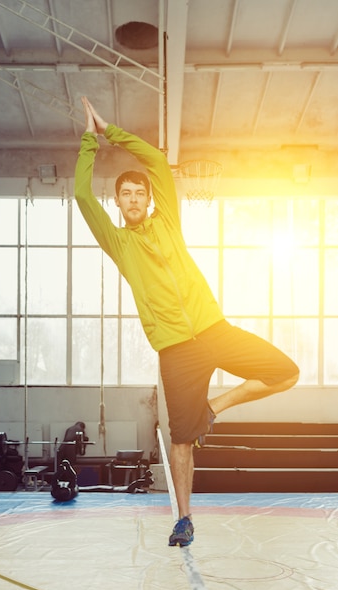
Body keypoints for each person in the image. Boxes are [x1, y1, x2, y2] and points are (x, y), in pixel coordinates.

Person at [74, 96, 299, 547]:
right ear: (117, 202)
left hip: (214, 329)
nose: (134, 199)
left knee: (286, 372)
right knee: (180, 437)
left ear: (148, 199)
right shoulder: (119, 243)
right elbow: (81, 193)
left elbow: (155, 159)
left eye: (140, 193)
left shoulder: (168, 222)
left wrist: (110, 130)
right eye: (126, 194)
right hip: (176, 349)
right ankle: (184, 518)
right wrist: (88, 142)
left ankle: (213, 408)